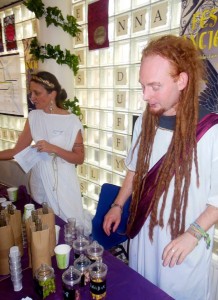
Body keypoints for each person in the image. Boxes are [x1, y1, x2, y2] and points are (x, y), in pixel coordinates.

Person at [103, 35, 218, 300]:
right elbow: (136, 168)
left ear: (181, 81)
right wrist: (118, 205)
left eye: (155, 86)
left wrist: (193, 234)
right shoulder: (146, 122)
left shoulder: (211, 130)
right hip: (144, 238)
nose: (146, 96)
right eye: (143, 86)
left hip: (183, 244)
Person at [0, 71, 86, 226]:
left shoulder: (71, 121)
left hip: (64, 183)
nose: (32, 98)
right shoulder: (34, 117)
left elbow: (79, 158)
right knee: (43, 225)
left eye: (37, 93)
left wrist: (53, 148)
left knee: (68, 227)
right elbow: (16, 152)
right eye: (31, 92)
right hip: (40, 181)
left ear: (52, 94)